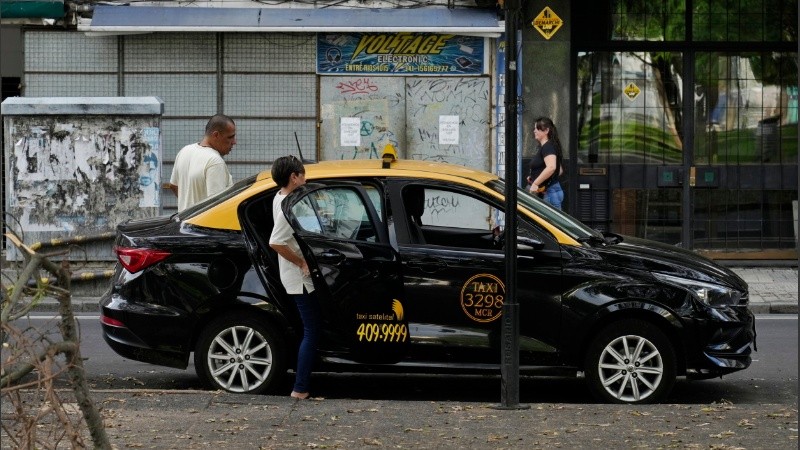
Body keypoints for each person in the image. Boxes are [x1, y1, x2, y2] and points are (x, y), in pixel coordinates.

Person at [268, 155, 319, 400]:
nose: (305, 179)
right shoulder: (288, 204)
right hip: (299, 278)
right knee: (311, 331)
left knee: (308, 329)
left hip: (295, 276)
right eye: (303, 175)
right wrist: (301, 262)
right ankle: (300, 388)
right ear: (294, 177)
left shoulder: (279, 196)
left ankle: (301, 385)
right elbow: (276, 241)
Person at [169, 114, 236, 212]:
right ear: (216, 135)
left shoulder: (185, 151)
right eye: (230, 137)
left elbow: (173, 185)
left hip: (183, 224)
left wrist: (188, 206)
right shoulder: (215, 161)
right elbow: (217, 206)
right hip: (203, 226)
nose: (234, 142)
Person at [527, 117, 564, 209]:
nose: (534, 131)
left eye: (537, 128)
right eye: (534, 128)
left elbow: (551, 167)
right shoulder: (549, 146)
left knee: (551, 223)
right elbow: (559, 171)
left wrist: (535, 183)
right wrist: (535, 177)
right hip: (552, 191)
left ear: (546, 130)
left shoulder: (548, 147)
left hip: (550, 193)